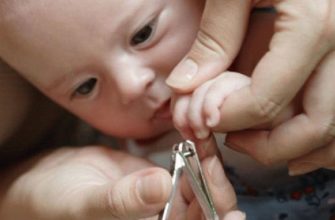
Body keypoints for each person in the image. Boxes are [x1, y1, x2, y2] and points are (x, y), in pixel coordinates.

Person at [0, 0, 334, 219]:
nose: (130, 85)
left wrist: (243, 95)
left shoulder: (274, 38)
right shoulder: (113, 157)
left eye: (143, 34)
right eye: (85, 87)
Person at [167, 0, 335, 175]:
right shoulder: (142, 159)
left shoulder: (274, 29)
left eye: (144, 34)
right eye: (133, 106)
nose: (136, 84)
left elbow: (298, 103)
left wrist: (235, 93)